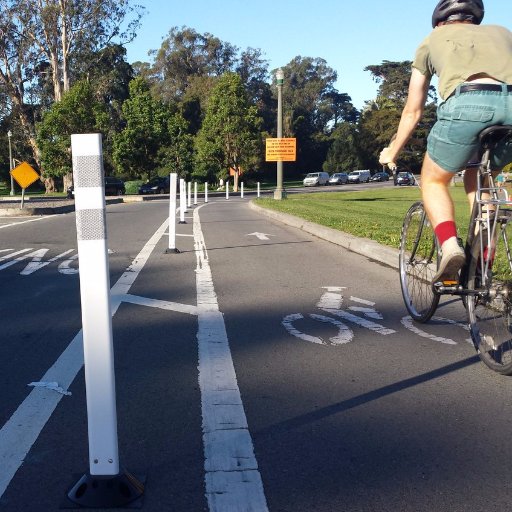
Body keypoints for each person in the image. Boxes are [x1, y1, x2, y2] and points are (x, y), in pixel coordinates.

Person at [379, 0, 512, 284]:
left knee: (433, 179)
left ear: (440, 22)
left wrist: (393, 150)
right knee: (480, 177)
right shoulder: (503, 32)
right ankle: (481, 259)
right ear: (475, 20)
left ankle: (450, 246)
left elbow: (413, 110)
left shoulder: (432, 39)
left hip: (468, 102)